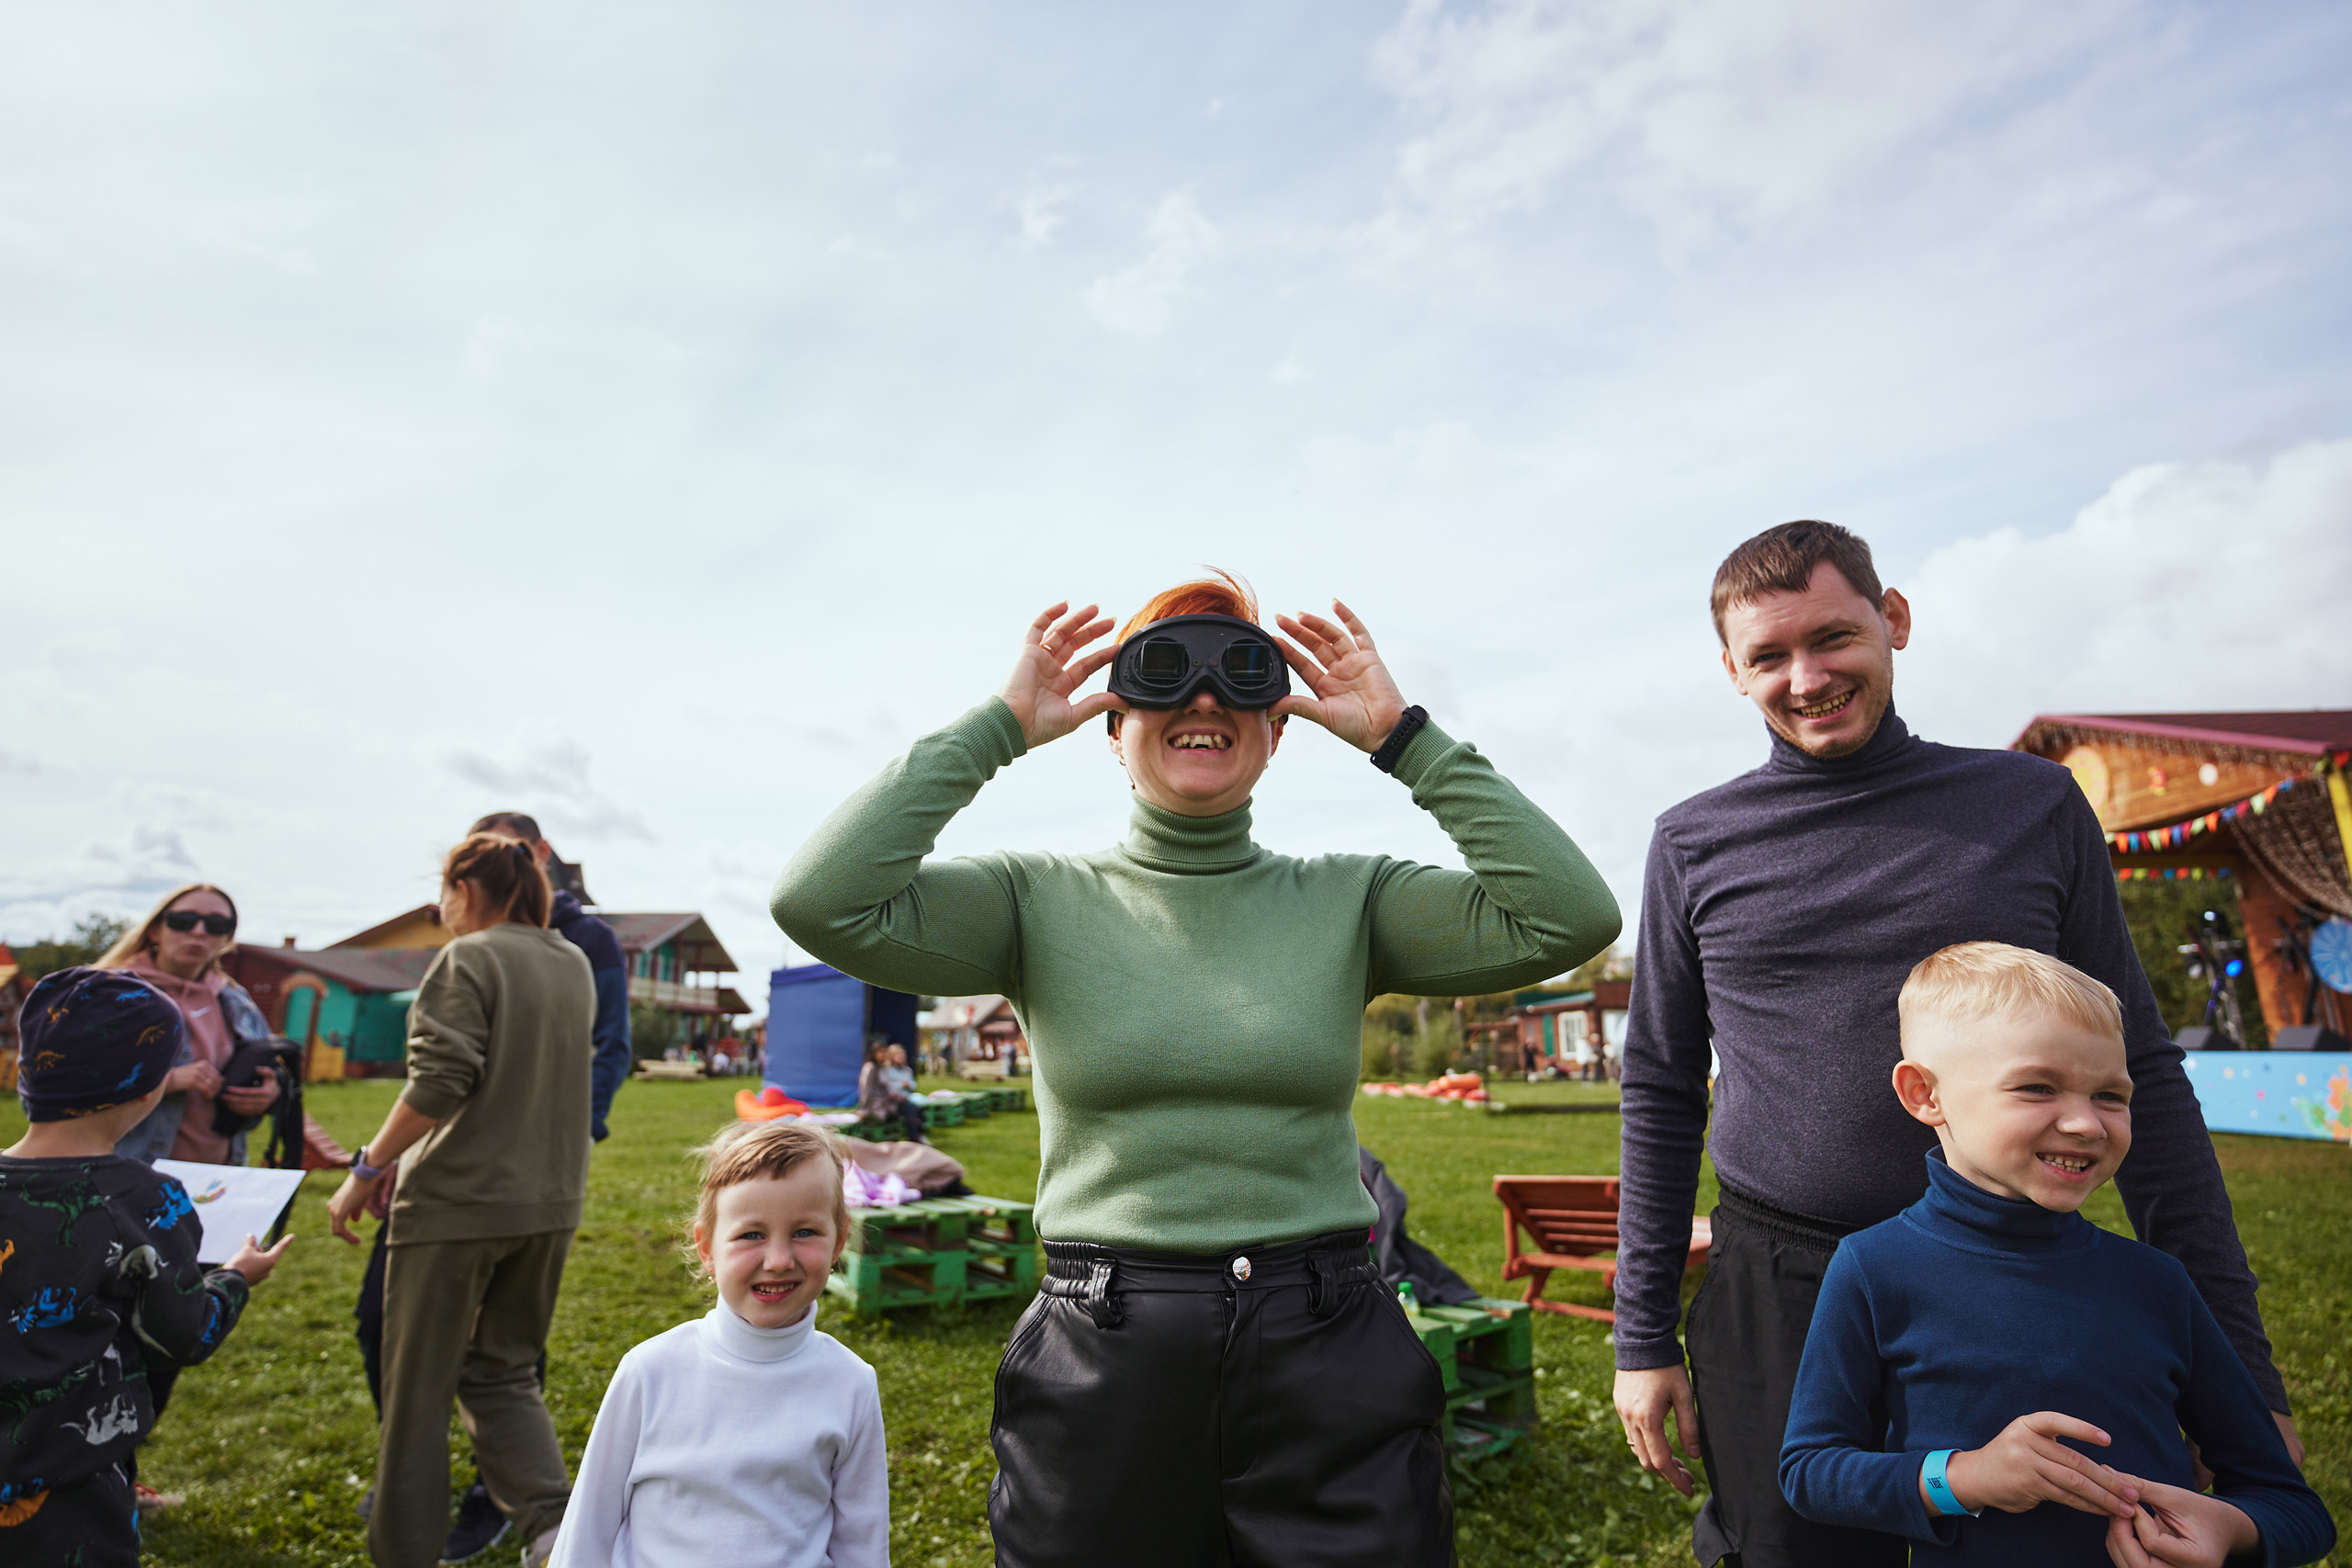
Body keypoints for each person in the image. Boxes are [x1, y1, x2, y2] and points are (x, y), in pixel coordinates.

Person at [773, 572, 1620, 1566]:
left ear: (1278, 726)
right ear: (1112, 717)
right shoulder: (1032, 899)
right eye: (1164, 672)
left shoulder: (1348, 900)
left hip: (1329, 1348)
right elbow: (818, 900)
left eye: (1241, 674)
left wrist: (1404, 737)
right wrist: (998, 727)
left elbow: (1571, 917)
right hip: (1104, 1355)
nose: (1204, 699)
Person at [1611, 522, 2301, 1568]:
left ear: (1892, 622)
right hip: (1780, 1281)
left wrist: (2241, 1378)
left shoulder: (2027, 805)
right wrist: (1641, 1334)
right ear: (1731, 672)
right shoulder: (1694, 841)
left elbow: (2142, 1073)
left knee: (2034, 1541)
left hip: (2014, 1276)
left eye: (1833, 637)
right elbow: (1660, 1088)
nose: (1806, 677)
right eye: (1768, 656)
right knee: (1793, 1544)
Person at [1779, 942, 2333, 1566]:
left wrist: (2233, 1528)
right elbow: (1810, 1471)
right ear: (1924, 1094)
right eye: (2039, 1086)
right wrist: (1963, 1477)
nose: (2087, 1125)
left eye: (2110, 1096)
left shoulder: (2157, 1283)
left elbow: (2292, 1505)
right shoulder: (1873, 1269)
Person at [324, 833, 595, 1568]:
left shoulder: (469, 957)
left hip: (457, 1203)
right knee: (501, 1369)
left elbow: (441, 1082)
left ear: (467, 888)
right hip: (548, 1204)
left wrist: (367, 1166)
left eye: (443, 890)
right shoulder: (571, 961)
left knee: (416, 1391)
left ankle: (405, 1553)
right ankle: (552, 1533)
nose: (440, 906)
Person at [0, 966, 292, 1567]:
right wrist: (236, 1276)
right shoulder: (142, 1199)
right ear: (147, 1086)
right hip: (71, 1499)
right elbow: (185, 1333)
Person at [548, 1120, 888, 1568]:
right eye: (752, 1235)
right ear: (707, 1248)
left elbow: (862, 1544)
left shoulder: (852, 1383)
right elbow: (588, 1526)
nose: (779, 1260)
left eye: (805, 1232)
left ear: (839, 1240)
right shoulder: (650, 1371)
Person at [469, 813, 634, 1142]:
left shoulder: (590, 939)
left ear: (541, 851)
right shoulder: (476, 940)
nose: (497, 866)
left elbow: (612, 1042)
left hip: (552, 1128)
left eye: (507, 850)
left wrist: (582, 1125)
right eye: (481, 858)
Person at [95, 884, 283, 1168]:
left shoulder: (235, 1000)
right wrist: (167, 1082)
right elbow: (56, 1087)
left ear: (227, 939)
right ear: (155, 930)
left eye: (216, 924)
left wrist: (269, 1094)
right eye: (183, 921)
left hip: (218, 1180)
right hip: (129, 1177)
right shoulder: (108, 994)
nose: (198, 932)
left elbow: (271, 1069)